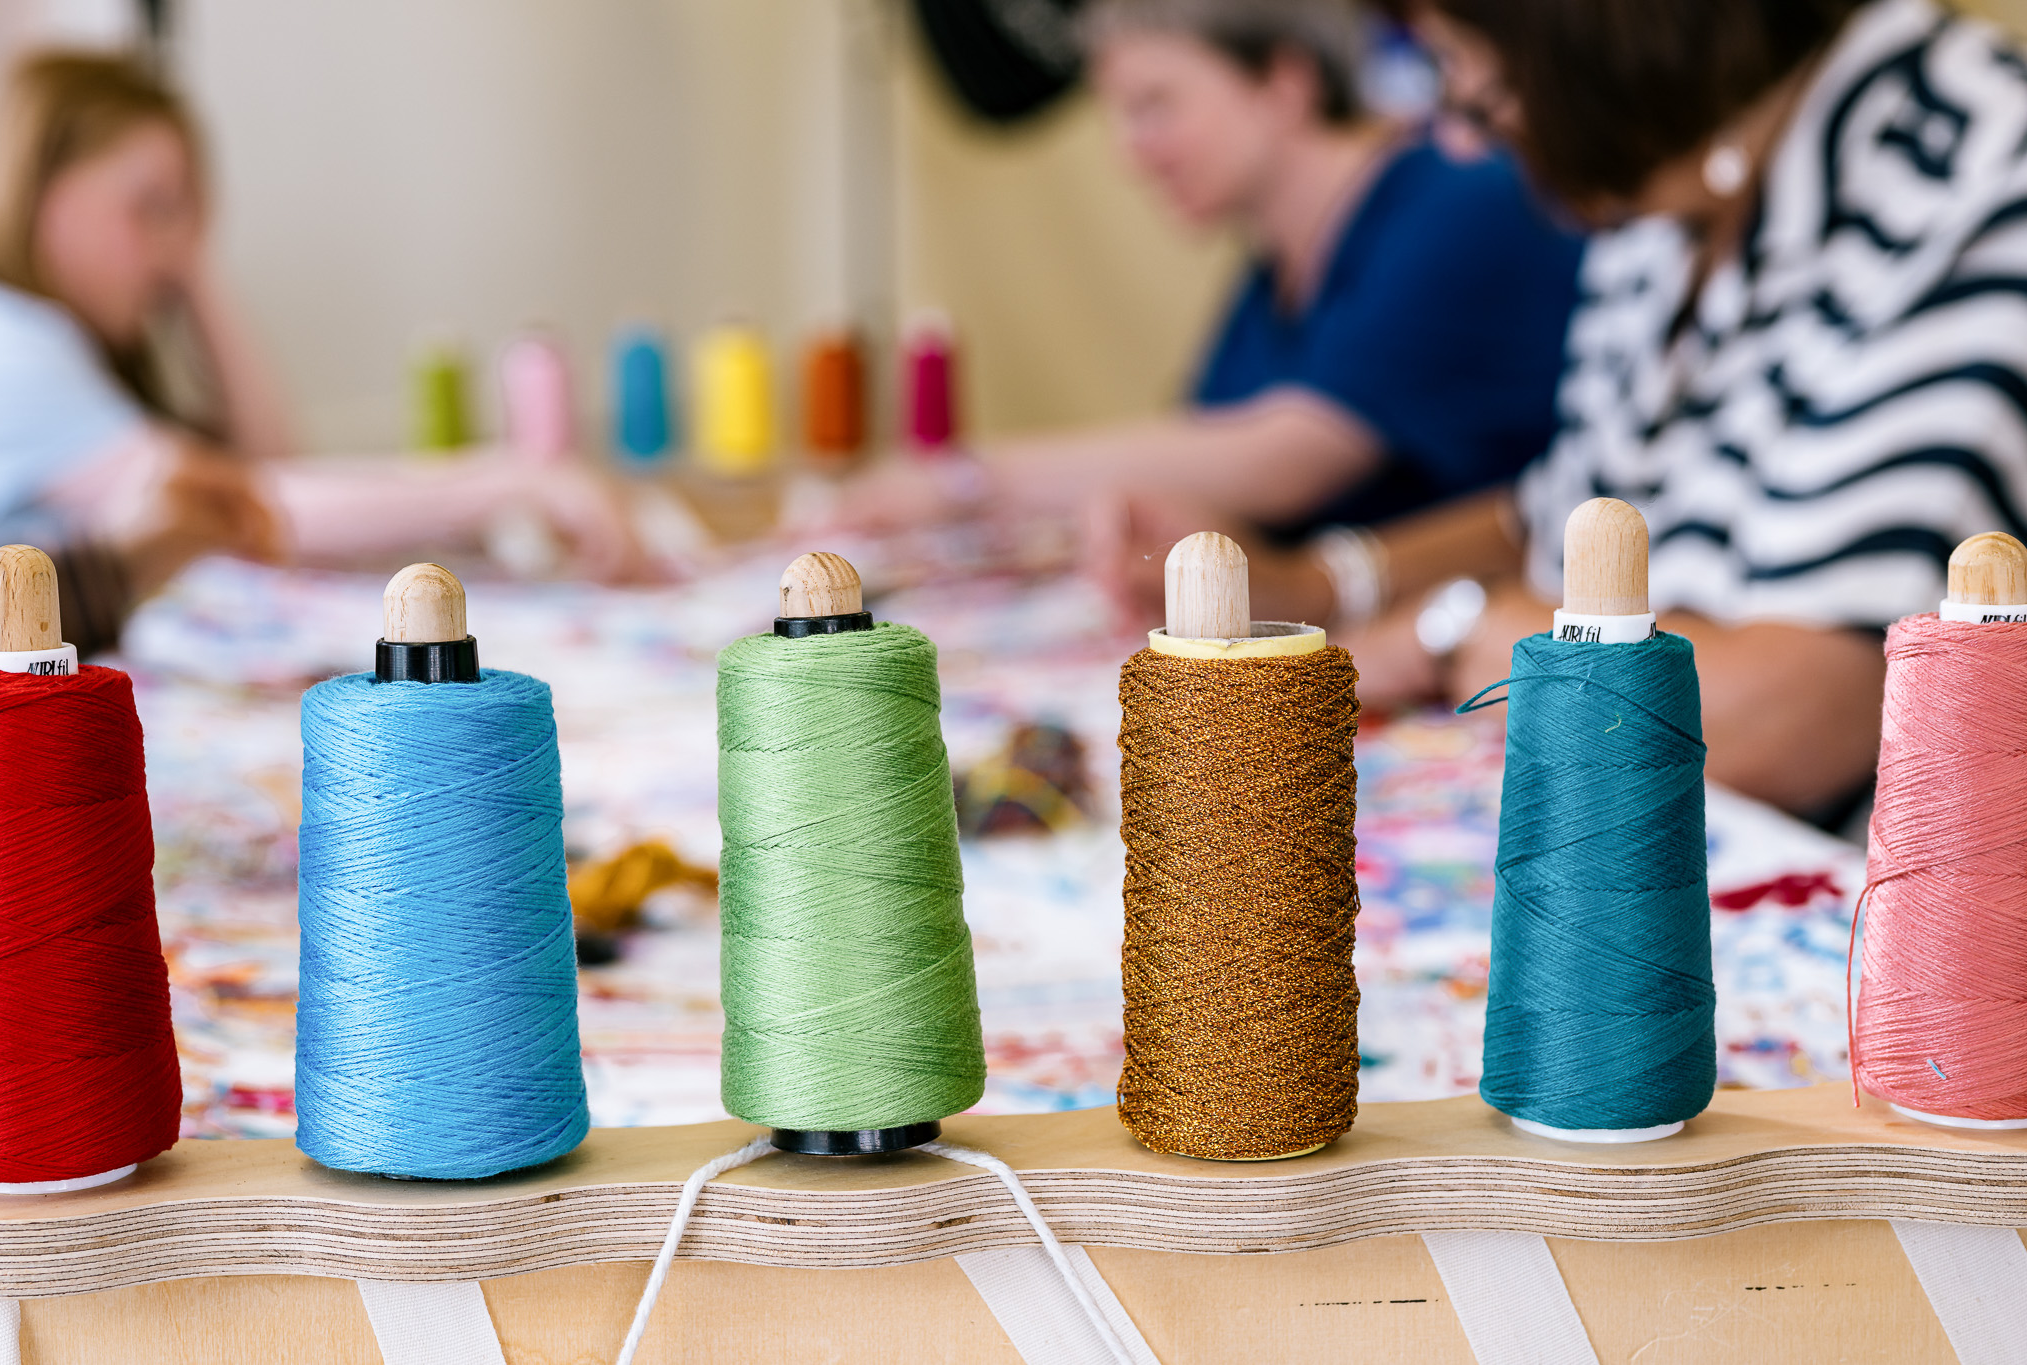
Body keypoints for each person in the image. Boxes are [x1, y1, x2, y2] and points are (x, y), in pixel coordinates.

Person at [1106, 0, 2027, 821]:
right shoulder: (1670, 192)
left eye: (1482, 87)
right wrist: (1314, 584)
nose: (1462, 141)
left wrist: (1463, 630)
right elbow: (1564, 516)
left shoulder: (1972, 176)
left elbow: (1786, 715)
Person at [834, 0, 1583, 554]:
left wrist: (967, 480)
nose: (1132, 154)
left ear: (1284, 83)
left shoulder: (1458, 197)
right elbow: (1196, 462)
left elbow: (1283, 457)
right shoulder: (1274, 270)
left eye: (1155, 105)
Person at [0, 53, 644, 651]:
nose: (170, 251)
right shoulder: (4, 343)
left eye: (187, 220)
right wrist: (516, 478)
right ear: (43, 185)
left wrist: (197, 275)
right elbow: (248, 508)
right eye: (150, 206)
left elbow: (265, 469)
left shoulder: (48, 347)